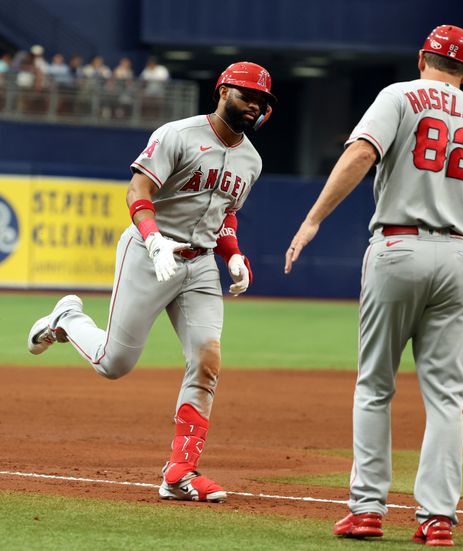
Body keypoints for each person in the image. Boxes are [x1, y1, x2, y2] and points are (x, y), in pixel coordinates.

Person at [284, 25, 463, 546]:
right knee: (447, 398)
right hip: (462, 256)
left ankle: (367, 509)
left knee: (375, 385)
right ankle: (436, 519)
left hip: (398, 247)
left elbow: (361, 153)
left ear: (422, 59)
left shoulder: (398, 95)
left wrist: (314, 219)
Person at [26, 61, 276, 503]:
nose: (253, 104)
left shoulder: (251, 160)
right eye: (245, 94)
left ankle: (179, 471)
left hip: (200, 266)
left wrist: (234, 255)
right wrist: (154, 240)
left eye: (260, 100)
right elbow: (138, 190)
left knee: (208, 360)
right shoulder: (177, 134)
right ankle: (66, 318)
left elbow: (225, 214)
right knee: (113, 363)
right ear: (222, 91)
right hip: (150, 254)